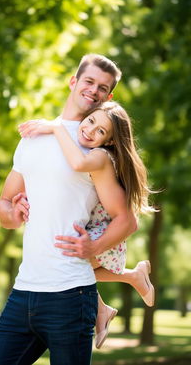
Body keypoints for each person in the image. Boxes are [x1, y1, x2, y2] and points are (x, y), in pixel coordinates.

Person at [0, 54, 137, 365]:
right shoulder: (33, 138)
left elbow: (126, 220)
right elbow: (3, 204)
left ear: (109, 97)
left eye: (103, 88)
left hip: (70, 294)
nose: (94, 91)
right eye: (89, 81)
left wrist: (94, 246)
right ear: (73, 81)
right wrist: (13, 213)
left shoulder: (96, 149)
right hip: (23, 291)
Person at [18, 100, 155, 349]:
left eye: (100, 131)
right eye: (91, 121)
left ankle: (131, 281)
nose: (90, 130)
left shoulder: (100, 156)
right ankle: (111, 301)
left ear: (110, 141)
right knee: (70, 270)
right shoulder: (97, 153)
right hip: (96, 227)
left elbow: (77, 164)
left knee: (66, 267)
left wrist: (56, 127)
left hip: (103, 232)